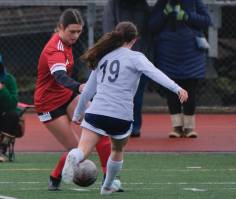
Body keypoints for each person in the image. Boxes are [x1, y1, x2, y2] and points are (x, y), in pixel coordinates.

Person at [61, 21, 188, 195]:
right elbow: (155, 73)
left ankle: (74, 157)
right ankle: (107, 186)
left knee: (83, 150)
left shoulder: (103, 58)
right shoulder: (136, 57)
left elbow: (88, 91)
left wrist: (77, 114)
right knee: (117, 149)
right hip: (121, 116)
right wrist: (177, 88)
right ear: (134, 39)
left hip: (96, 112)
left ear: (116, 36)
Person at [33, 8, 119, 191]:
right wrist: (79, 87)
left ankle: (109, 180)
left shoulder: (68, 44)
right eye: (71, 31)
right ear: (60, 28)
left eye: (79, 31)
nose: (75, 35)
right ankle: (55, 177)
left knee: (99, 129)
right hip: (48, 104)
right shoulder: (54, 49)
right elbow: (59, 76)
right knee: (77, 151)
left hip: (67, 95)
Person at [148, 0, 212, 138]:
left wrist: (187, 16)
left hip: (191, 53)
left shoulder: (195, 2)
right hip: (168, 53)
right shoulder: (162, 3)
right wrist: (164, 13)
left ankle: (190, 127)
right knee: (172, 90)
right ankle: (176, 127)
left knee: (190, 90)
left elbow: (206, 21)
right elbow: (151, 25)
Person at [102, 0, 152, 137]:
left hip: (139, 57)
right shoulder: (113, 5)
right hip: (120, 58)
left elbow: (150, 30)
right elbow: (109, 30)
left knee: (137, 95)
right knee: (117, 94)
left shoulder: (142, 6)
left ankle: (133, 126)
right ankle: (119, 125)